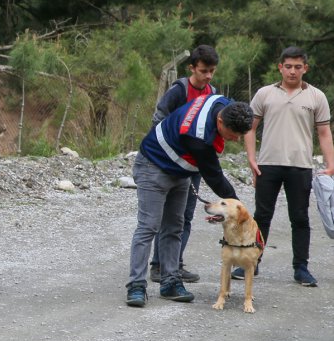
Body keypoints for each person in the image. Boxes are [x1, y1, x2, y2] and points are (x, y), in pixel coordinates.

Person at [126, 95, 254, 307]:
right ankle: (136, 286)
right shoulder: (199, 137)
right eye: (233, 135)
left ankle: (170, 282)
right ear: (220, 122)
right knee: (148, 226)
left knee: (175, 226)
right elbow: (215, 178)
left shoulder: (223, 103)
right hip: (153, 167)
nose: (236, 140)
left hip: (180, 170)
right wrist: (240, 210)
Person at [236, 46, 334, 286]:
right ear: (280, 67)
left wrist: (331, 164)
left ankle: (301, 268)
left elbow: (323, 132)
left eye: (297, 67)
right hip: (268, 164)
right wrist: (251, 158)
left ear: (305, 68)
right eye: (288, 66)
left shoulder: (316, 97)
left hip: (300, 165)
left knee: (299, 217)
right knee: (262, 216)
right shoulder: (264, 94)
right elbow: (250, 126)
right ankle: (252, 262)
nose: (292, 71)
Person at [149, 45, 219, 284]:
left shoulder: (212, 93)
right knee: (167, 214)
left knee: (185, 215)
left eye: (211, 71)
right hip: (171, 163)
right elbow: (158, 118)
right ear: (192, 68)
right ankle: (158, 266)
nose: (208, 76)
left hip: (195, 164)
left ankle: (175, 264)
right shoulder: (179, 90)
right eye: (203, 71)